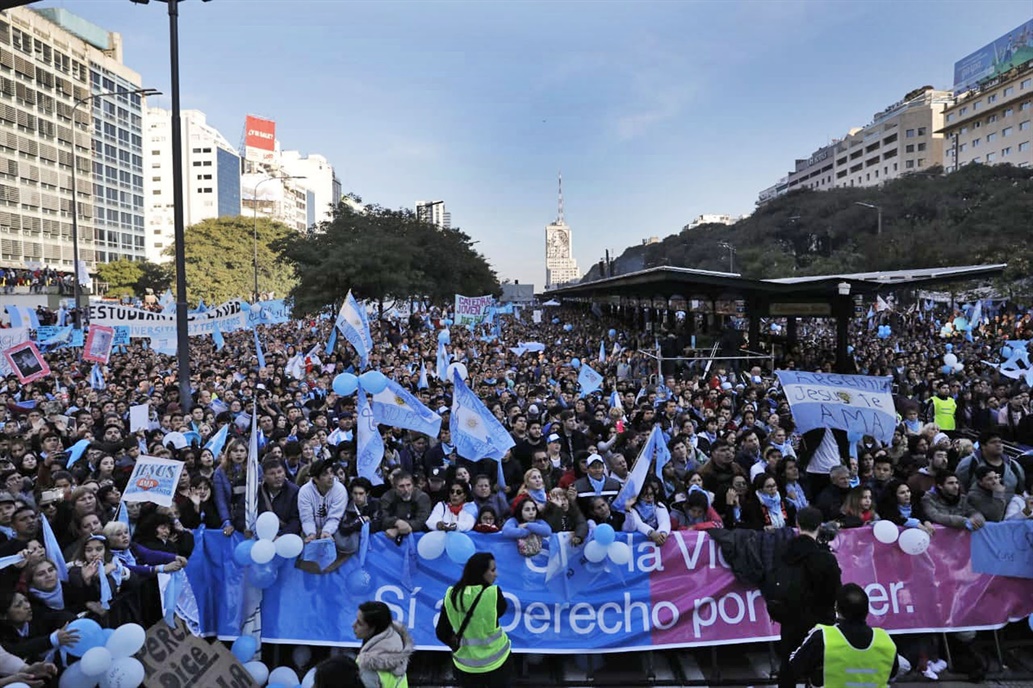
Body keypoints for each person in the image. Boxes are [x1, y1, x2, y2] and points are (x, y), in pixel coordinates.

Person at [773, 506, 842, 688]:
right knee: (819, 668)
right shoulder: (825, 557)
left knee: (788, 668)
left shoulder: (783, 552)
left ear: (797, 523)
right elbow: (835, 591)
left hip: (790, 618)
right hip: (820, 622)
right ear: (820, 526)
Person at [789, 583, 899, 687]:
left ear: (836, 607)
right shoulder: (884, 640)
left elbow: (795, 667)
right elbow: (893, 672)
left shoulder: (824, 637)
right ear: (867, 610)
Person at [435, 552, 511, 687]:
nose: (496, 574)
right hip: (497, 663)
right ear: (481, 572)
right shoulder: (492, 593)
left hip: (465, 666)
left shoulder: (451, 595)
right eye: (492, 570)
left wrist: (457, 646)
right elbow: (500, 611)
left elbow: (442, 632)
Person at [353, 600, 414, 688]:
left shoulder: (368, 668)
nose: (353, 625)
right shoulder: (398, 650)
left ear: (373, 628)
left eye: (360, 623)